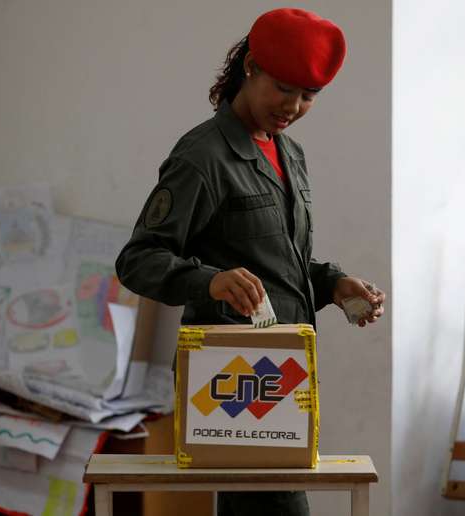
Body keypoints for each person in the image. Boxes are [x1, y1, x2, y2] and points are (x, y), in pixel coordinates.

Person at [115, 8, 385, 516]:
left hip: (281, 372)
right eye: (284, 88)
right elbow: (137, 260)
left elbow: (281, 262)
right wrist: (210, 282)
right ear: (251, 67)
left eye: (309, 96)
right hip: (230, 376)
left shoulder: (290, 154)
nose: (294, 106)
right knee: (277, 508)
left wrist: (334, 284)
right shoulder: (202, 156)